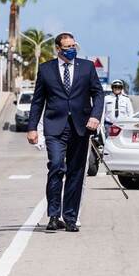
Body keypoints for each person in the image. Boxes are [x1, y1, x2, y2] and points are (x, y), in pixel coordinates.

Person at [26, 32, 105, 232]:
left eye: (73, 46)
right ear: (58, 49)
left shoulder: (87, 67)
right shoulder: (46, 70)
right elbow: (38, 101)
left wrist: (95, 116)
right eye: (67, 47)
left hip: (81, 127)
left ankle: (70, 217)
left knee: (75, 173)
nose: (71, 50)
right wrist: (32, 127)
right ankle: (54, 215)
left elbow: (98, 93)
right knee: (56, 166)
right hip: (55, 127)